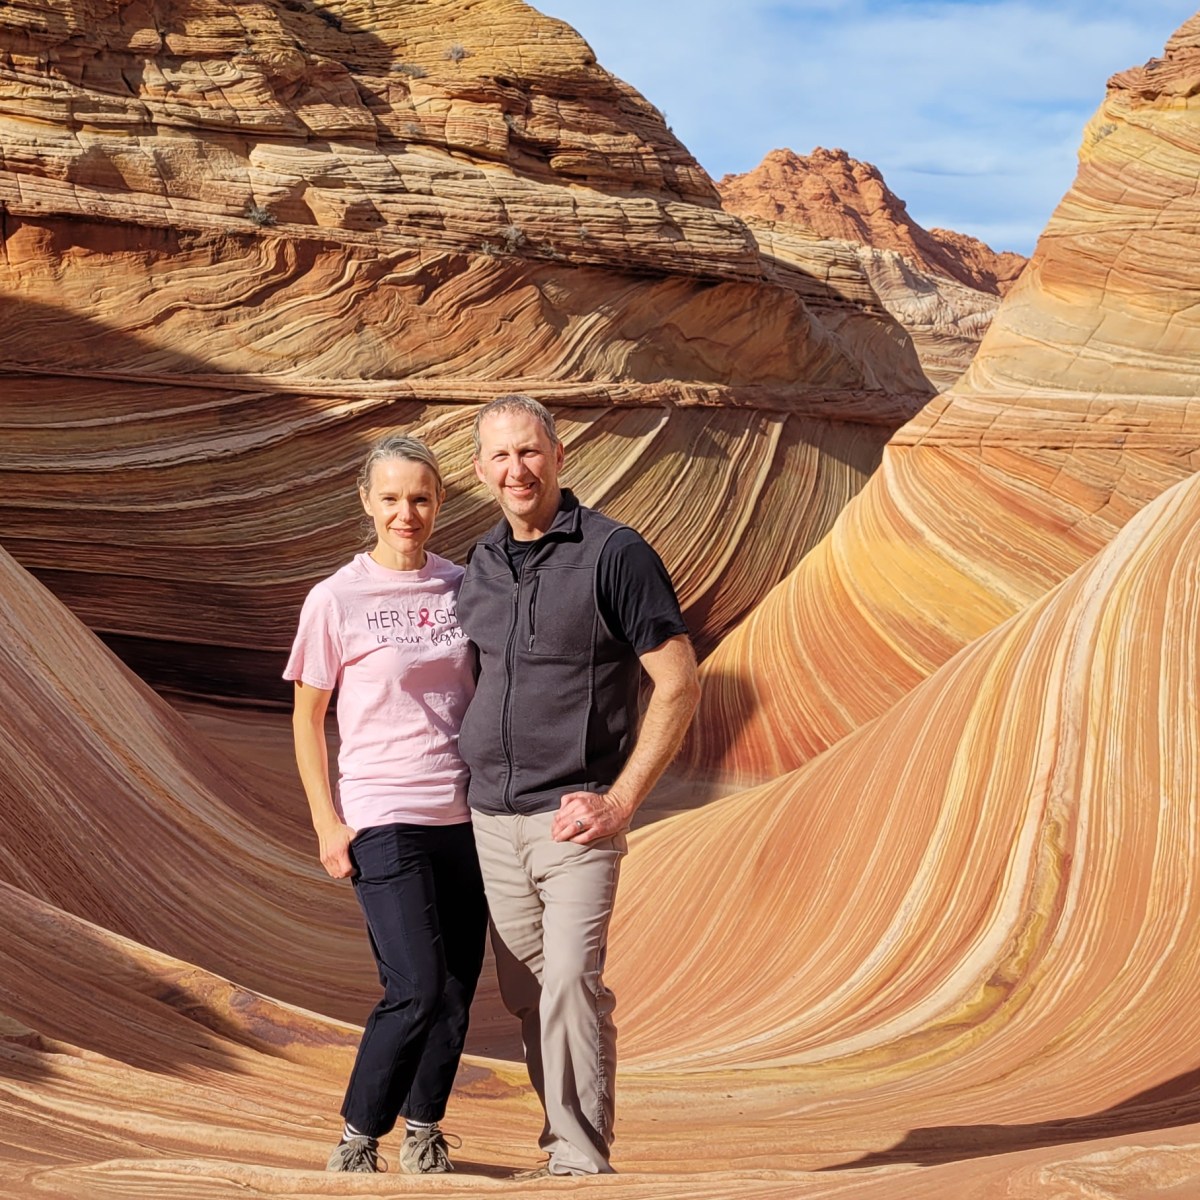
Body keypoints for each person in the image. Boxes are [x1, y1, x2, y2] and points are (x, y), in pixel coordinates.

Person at [457, 394, 701, 1177]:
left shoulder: (615, 553)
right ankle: (567, 1128)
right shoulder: (481, 565)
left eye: (529, 452)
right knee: (534, 995)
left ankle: (578, 1154)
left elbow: (679, 683)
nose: (515, 469)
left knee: (567, 980)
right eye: (499, 456)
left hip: (577, 816)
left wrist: (621, 801)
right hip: (490, 817)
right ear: (480, 470)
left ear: (559, 456)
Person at [285, 434, 487, 1175]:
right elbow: (308, 718)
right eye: (393, 498)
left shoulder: (465, 585)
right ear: (367, 503)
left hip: (466, 815)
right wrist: (326, 824)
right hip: (382, 813)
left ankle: (425, 1127)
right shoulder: (336, 598)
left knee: (458, 991)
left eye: (422, 498)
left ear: (439, 503)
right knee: (417, 985)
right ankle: (358, 1137)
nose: (408, 512)